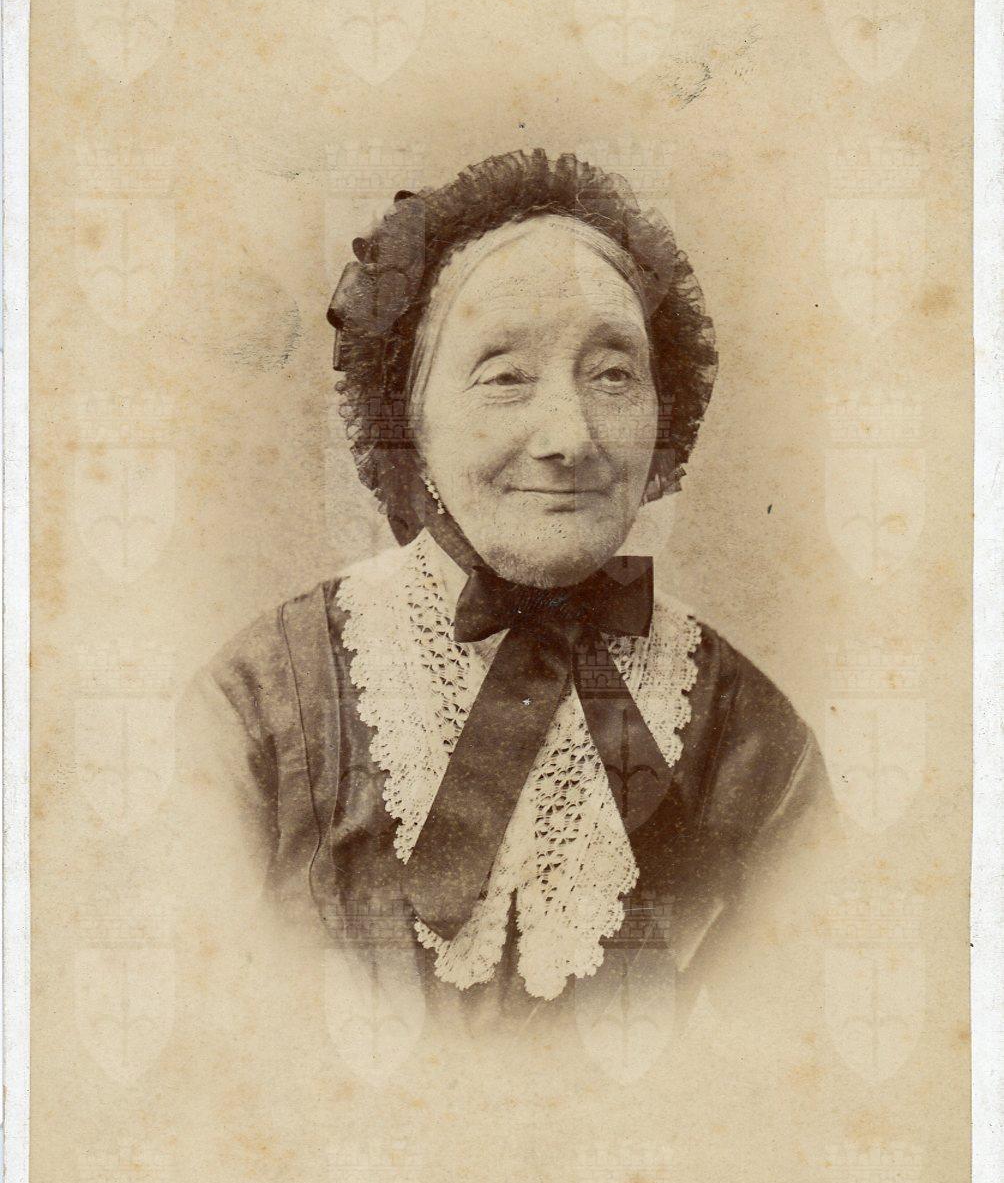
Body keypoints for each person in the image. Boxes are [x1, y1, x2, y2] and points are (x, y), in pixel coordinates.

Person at [181, 147, 837, 1030]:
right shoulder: (259, 707)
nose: (570, 436)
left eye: (613, 373)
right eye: (504, 376)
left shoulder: (750, 736)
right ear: (410, 418)